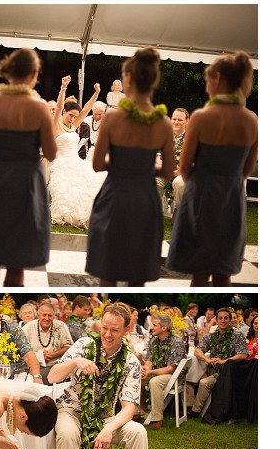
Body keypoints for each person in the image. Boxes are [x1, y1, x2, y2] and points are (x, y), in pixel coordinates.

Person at [48, 303, 159, 449]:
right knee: (67, 434)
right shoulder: (83, 345)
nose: (107, 334)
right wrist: (75, 362)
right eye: (105, 328)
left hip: (105, 417)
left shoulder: (131, 362)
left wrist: (109, 429)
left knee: (138, 431)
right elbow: (52, 377)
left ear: (126, 330)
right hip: (71, 409)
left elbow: (129, 408)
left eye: (114, 330)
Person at [166, 52, 258, 286]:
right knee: (222, 270)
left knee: (199, 270)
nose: (206, 86)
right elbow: (247, 168)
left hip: (202, 197)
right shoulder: (251, 120)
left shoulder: (201, 117)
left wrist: (200, 183)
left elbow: (184, 167)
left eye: (207, 80)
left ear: (217, 78)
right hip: (231, 199)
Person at [86, 47, 175, 286]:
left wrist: (123, 164)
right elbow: (168, 172)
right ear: (154, 80)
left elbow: (96, 164)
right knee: (138, 274)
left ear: (126, 79)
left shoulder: (113, 118)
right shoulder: (164, 123)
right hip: (145, 201)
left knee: (109, 271)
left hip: (115, 197)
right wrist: (146, 165)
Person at [0, 47, 57, 286]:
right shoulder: (39, 107)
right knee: (16, 259)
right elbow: (51, 152)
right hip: (25, 182)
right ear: (33, 74)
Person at [47, 77, 104, 228]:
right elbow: (58, 107)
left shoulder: (74, 125)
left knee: (94, 181)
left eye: (75, 116)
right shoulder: (56, 125)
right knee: (69, 193)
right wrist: (63, 88)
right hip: (62, 164)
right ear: (64, 112)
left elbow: (85, 109)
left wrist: (96, 93)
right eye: (70, 115)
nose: (72, 119)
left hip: (76, 161)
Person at [190, 307, 248, 417]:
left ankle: (194, 411)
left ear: (230, 320)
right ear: (216, 320)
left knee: (204, 382)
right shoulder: (211, 335)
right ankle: (186, 406)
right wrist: (207, 359)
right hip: (210, 368)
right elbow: (197, 351)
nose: (223, 321)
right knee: (187, 377)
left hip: (226, 372)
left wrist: (224, 361)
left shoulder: (237, 335)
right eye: (220, 318)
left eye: (226, 318)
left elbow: (243, 355)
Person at [141, 313, 187, 430]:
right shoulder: (154, 341)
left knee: (155, 382)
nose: (151, 327)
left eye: (155, 325)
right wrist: (145, 369)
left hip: (174, 376)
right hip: (159, 372)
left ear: (164, 328)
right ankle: (138, 412)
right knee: (137, 376)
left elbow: (171, 369)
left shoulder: (176, 342)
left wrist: (150, 372)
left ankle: (157, 419)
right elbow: (149, 360)